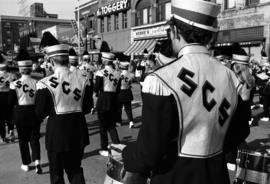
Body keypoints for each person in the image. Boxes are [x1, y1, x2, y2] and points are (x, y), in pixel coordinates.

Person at [120, 0, 250, 184]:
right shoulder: (231, 77)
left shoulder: (161, 79)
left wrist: (126, 152)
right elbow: (240, 130)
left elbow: (148, 154)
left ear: (174, 31)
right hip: (217, 176)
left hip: (175, 176)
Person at [35, 32, 93, 184]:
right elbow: (87, 108)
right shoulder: (84, 79)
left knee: (56, 176)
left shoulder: (44, 83)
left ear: (51, 61)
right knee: (75, 170)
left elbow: (39, 113)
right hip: (78, 132)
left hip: (57, 135)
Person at [8, 49, 42, 174]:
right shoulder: (37, 83)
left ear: (20, 69)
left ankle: (26, 163)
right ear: (30, 69)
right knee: (34, 138)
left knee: (23, 140)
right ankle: (37, 161)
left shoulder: (14, 84)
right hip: (34, 112)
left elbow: (11, 103)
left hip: (20, 112)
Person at [94, 52, 121, 157]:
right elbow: (118, 90)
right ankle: (117, 146)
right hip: (114, 100)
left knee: (102, 126)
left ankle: (104, 149)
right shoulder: (118, 73)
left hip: (103, 99)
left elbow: (96, 88)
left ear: (104, 60)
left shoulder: (100, 72)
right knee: (111, 125)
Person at [0, 53, 17, 143]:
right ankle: (11, 132)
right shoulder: (12, 75)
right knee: (10, 115)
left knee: (1, 118)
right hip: (9, 95)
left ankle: (3, 136)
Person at [117, 62, 135, 128]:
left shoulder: (118, 74)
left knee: (119, 108)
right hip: (127, 91)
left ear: (121, 67)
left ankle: (119, 121)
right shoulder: (131, 74)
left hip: (120, 92)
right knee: (128, 108)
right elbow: (130, 83)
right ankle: (131, 121)